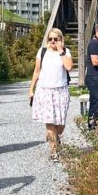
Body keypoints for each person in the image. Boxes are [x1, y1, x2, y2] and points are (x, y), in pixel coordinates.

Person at [28, 29, 74, 160]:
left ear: (61, 39)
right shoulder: (42, 52)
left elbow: (69, 67)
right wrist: (31, 89)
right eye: (50, 39)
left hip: (61, 91)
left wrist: (61, 51)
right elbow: (36, 71)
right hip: (45, 90)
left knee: (60, 122)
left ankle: (55, 137)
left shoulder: (66, 52)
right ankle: (54, 151)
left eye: (56, 39)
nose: (53, 41)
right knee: (49, 121)